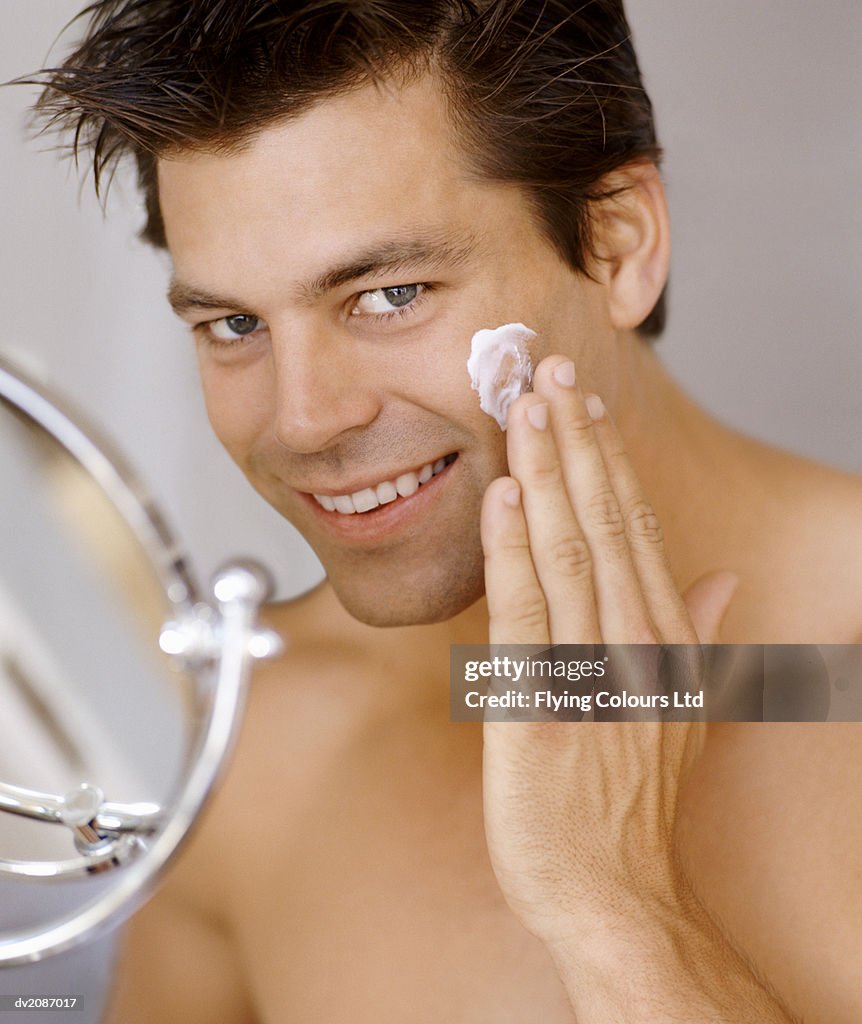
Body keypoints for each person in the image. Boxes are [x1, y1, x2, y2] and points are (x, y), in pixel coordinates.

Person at [28, 1, 862, 1020]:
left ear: (618, 244)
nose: (303, 421)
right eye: (235, 322)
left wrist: (610, 905)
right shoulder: (259, 745)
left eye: (390, 294)